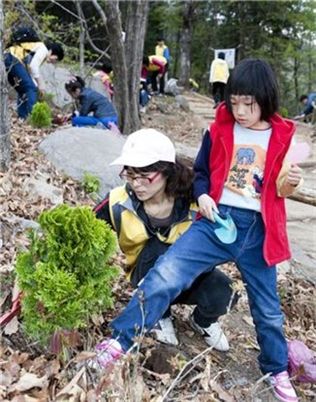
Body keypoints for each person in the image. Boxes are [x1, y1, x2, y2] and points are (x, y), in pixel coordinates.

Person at [91, 59, 303, 402]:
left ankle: (275, 369)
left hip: (259, 230)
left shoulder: (281, 135)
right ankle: (119, 341)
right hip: (217, 221)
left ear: (265, 98)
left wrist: (291, 183)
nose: (240, 111)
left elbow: (279, 189)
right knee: (166, 273)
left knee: (267, 307)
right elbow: (202, 172)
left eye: (248, 104)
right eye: (234, 102)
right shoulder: (221, 129)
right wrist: (203, 195)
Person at [94, 128, 237, 349]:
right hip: (146, 276)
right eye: (130, 175)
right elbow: (87, 231)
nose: (136, 184)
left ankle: (202, 321)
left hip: (189, 274)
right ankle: (161, 315)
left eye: (144, 177)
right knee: (159, 248)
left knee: (226, 292)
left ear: (166, 171)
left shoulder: (195, 198)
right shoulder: (118, 202)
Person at [4, 38, 64, 119]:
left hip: (7, 57)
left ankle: (23, 118)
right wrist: (40, 83)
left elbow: (30, 74)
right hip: (12, 57)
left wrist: (38, 87)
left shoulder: (37, 51)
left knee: (24, 90)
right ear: (51, 51)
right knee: (30, 89)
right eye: (55, 58)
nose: (54, 62)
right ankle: (33, 118)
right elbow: (33, 67)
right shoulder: (43, 49)